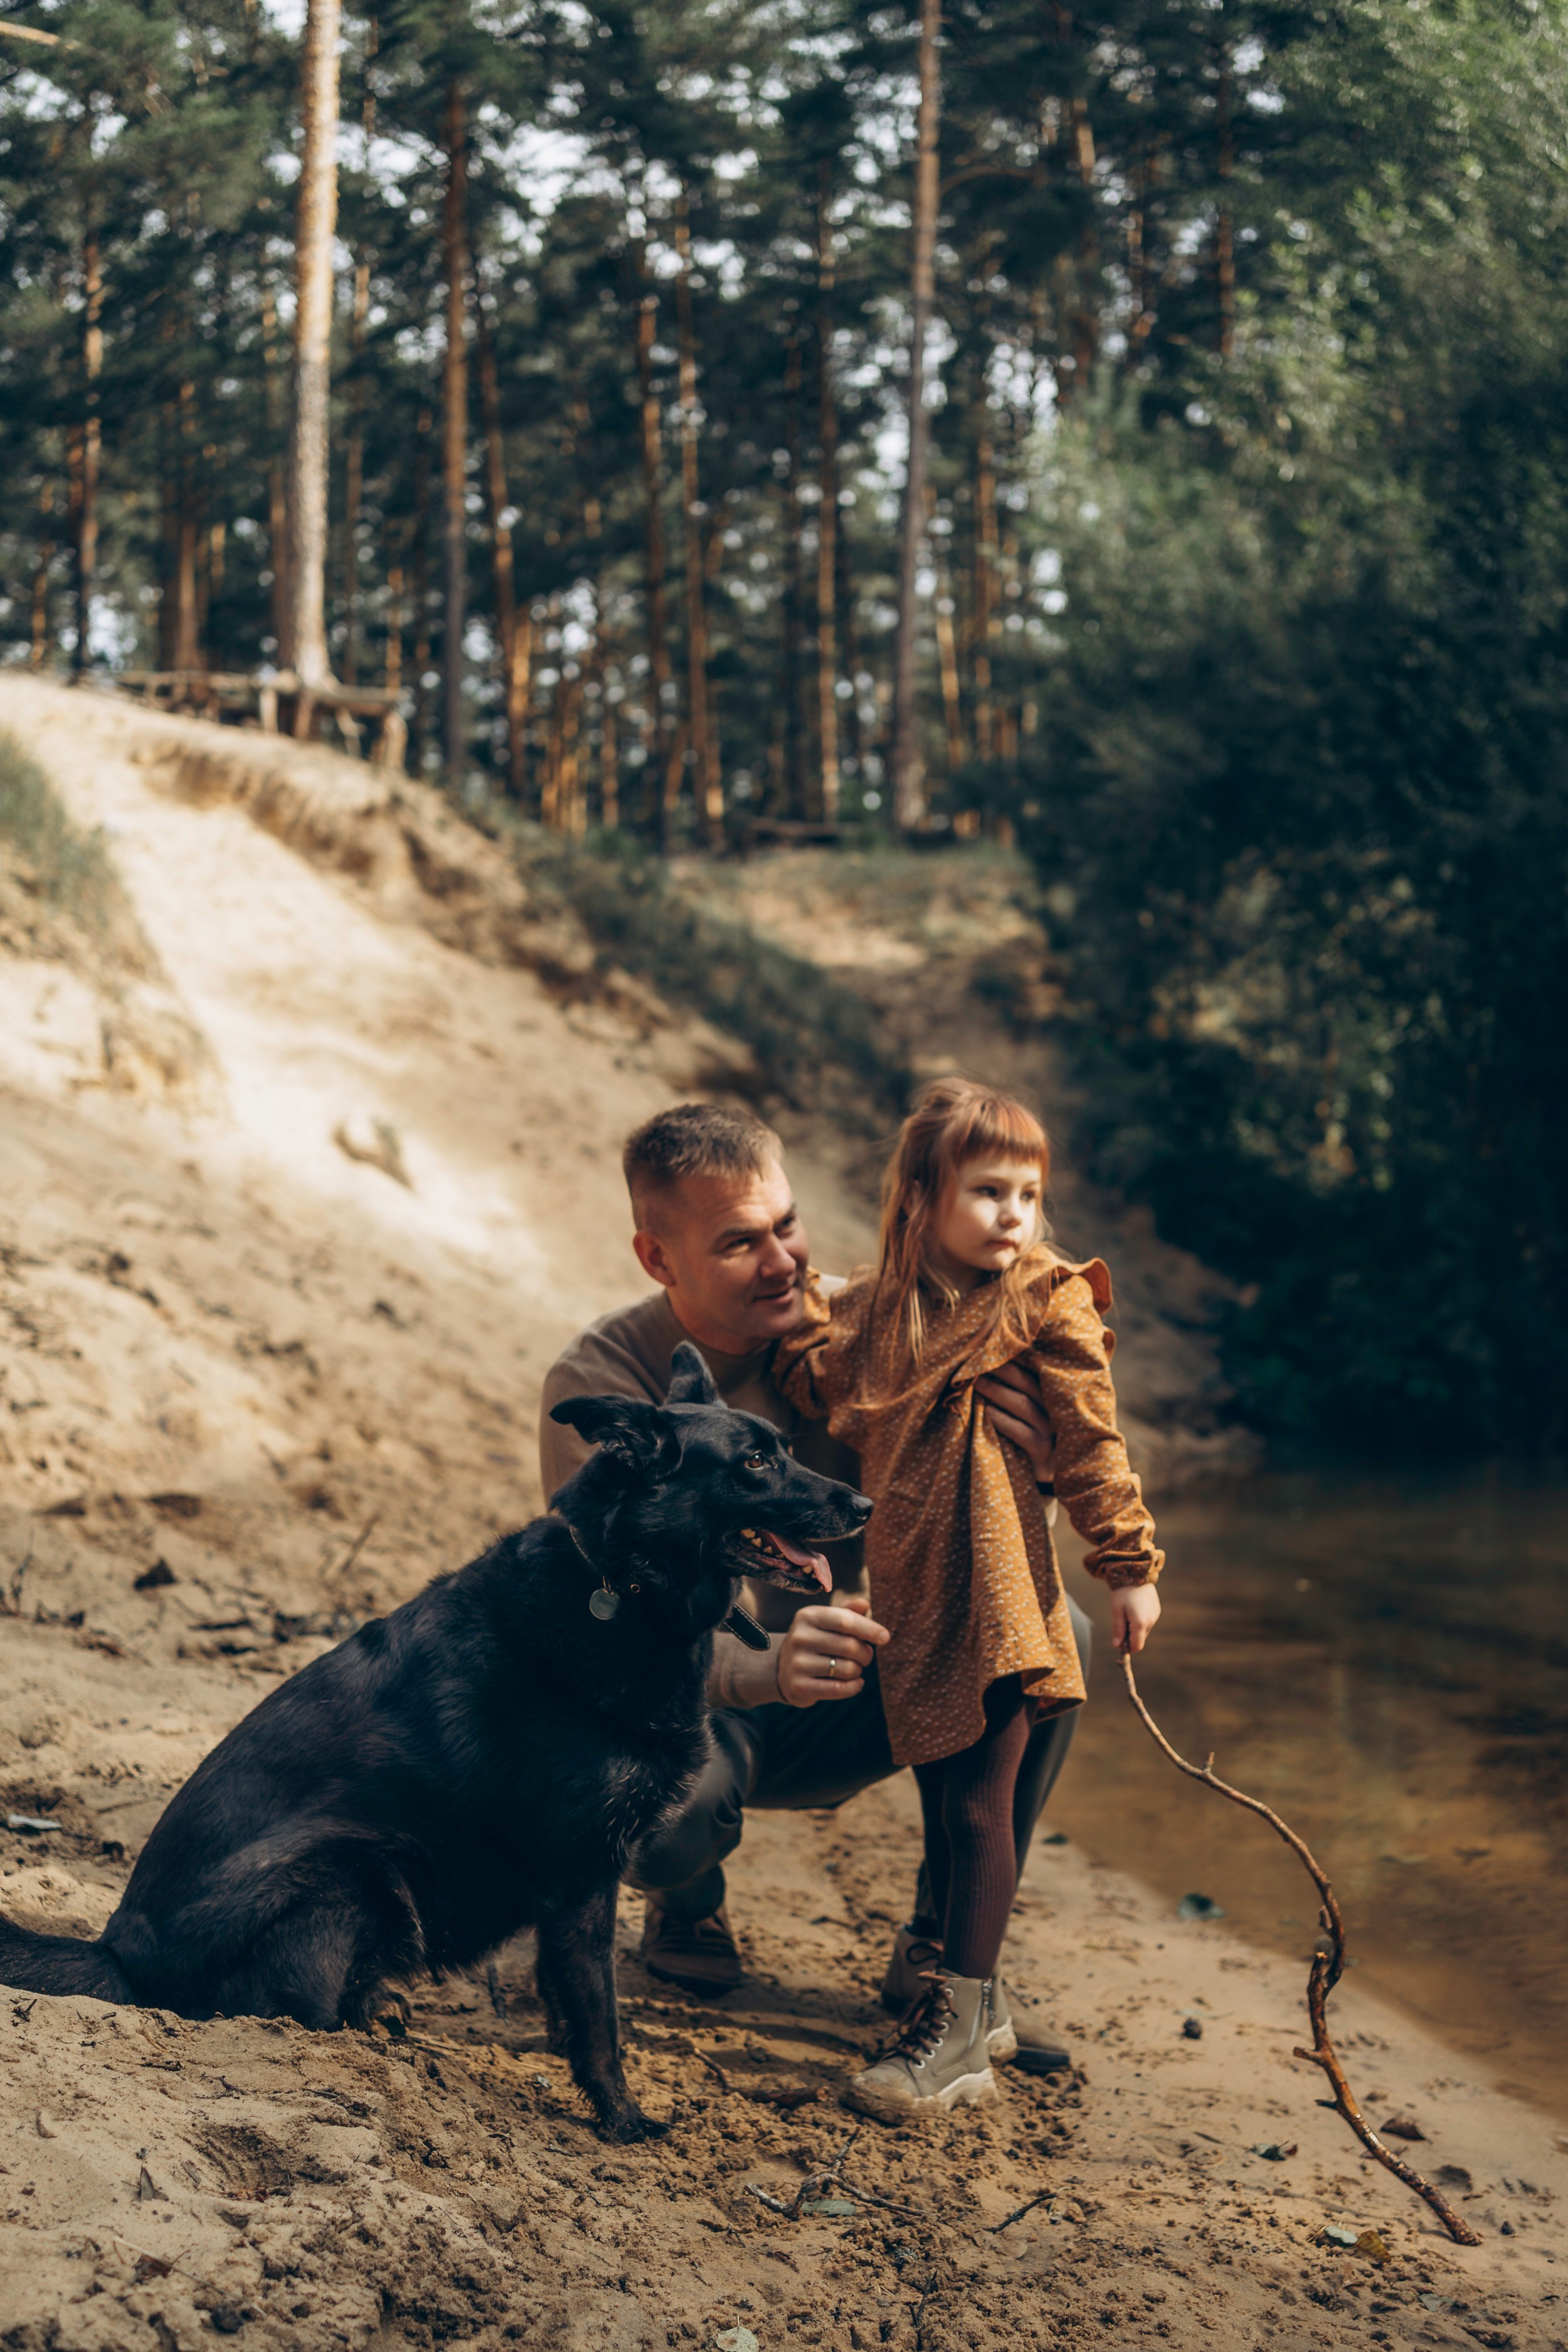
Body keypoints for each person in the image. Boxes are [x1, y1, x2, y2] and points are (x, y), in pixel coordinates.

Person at [538, 1101, 1094, 2074]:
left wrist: (1040, 1468)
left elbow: (999, 1526)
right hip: (701, 1705)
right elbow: (612, 1626)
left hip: (862, 1677)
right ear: (659, 1259)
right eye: (740, 1242)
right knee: (661, 1823)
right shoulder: (604, 1385)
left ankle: (942, 1944)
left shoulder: (878, 1319)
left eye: (787, 1224)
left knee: (1057, 1632)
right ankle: (688, 1899)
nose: (784, 1260)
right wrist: (763, 1670)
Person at [774, 1077, 1163, 2120]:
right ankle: (974, 2000)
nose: (1013, 1215)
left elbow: (1089, 1439)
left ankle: (954, 2038)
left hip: (1002, 1593)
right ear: (919, 1199)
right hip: (915, 1592)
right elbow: (817, 1374)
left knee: (982, 1805)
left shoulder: (1045, 1298)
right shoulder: (879, 1313)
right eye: (989, 1191)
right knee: (945, 1805)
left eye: (1028, 1194)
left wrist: (1127, 1566)